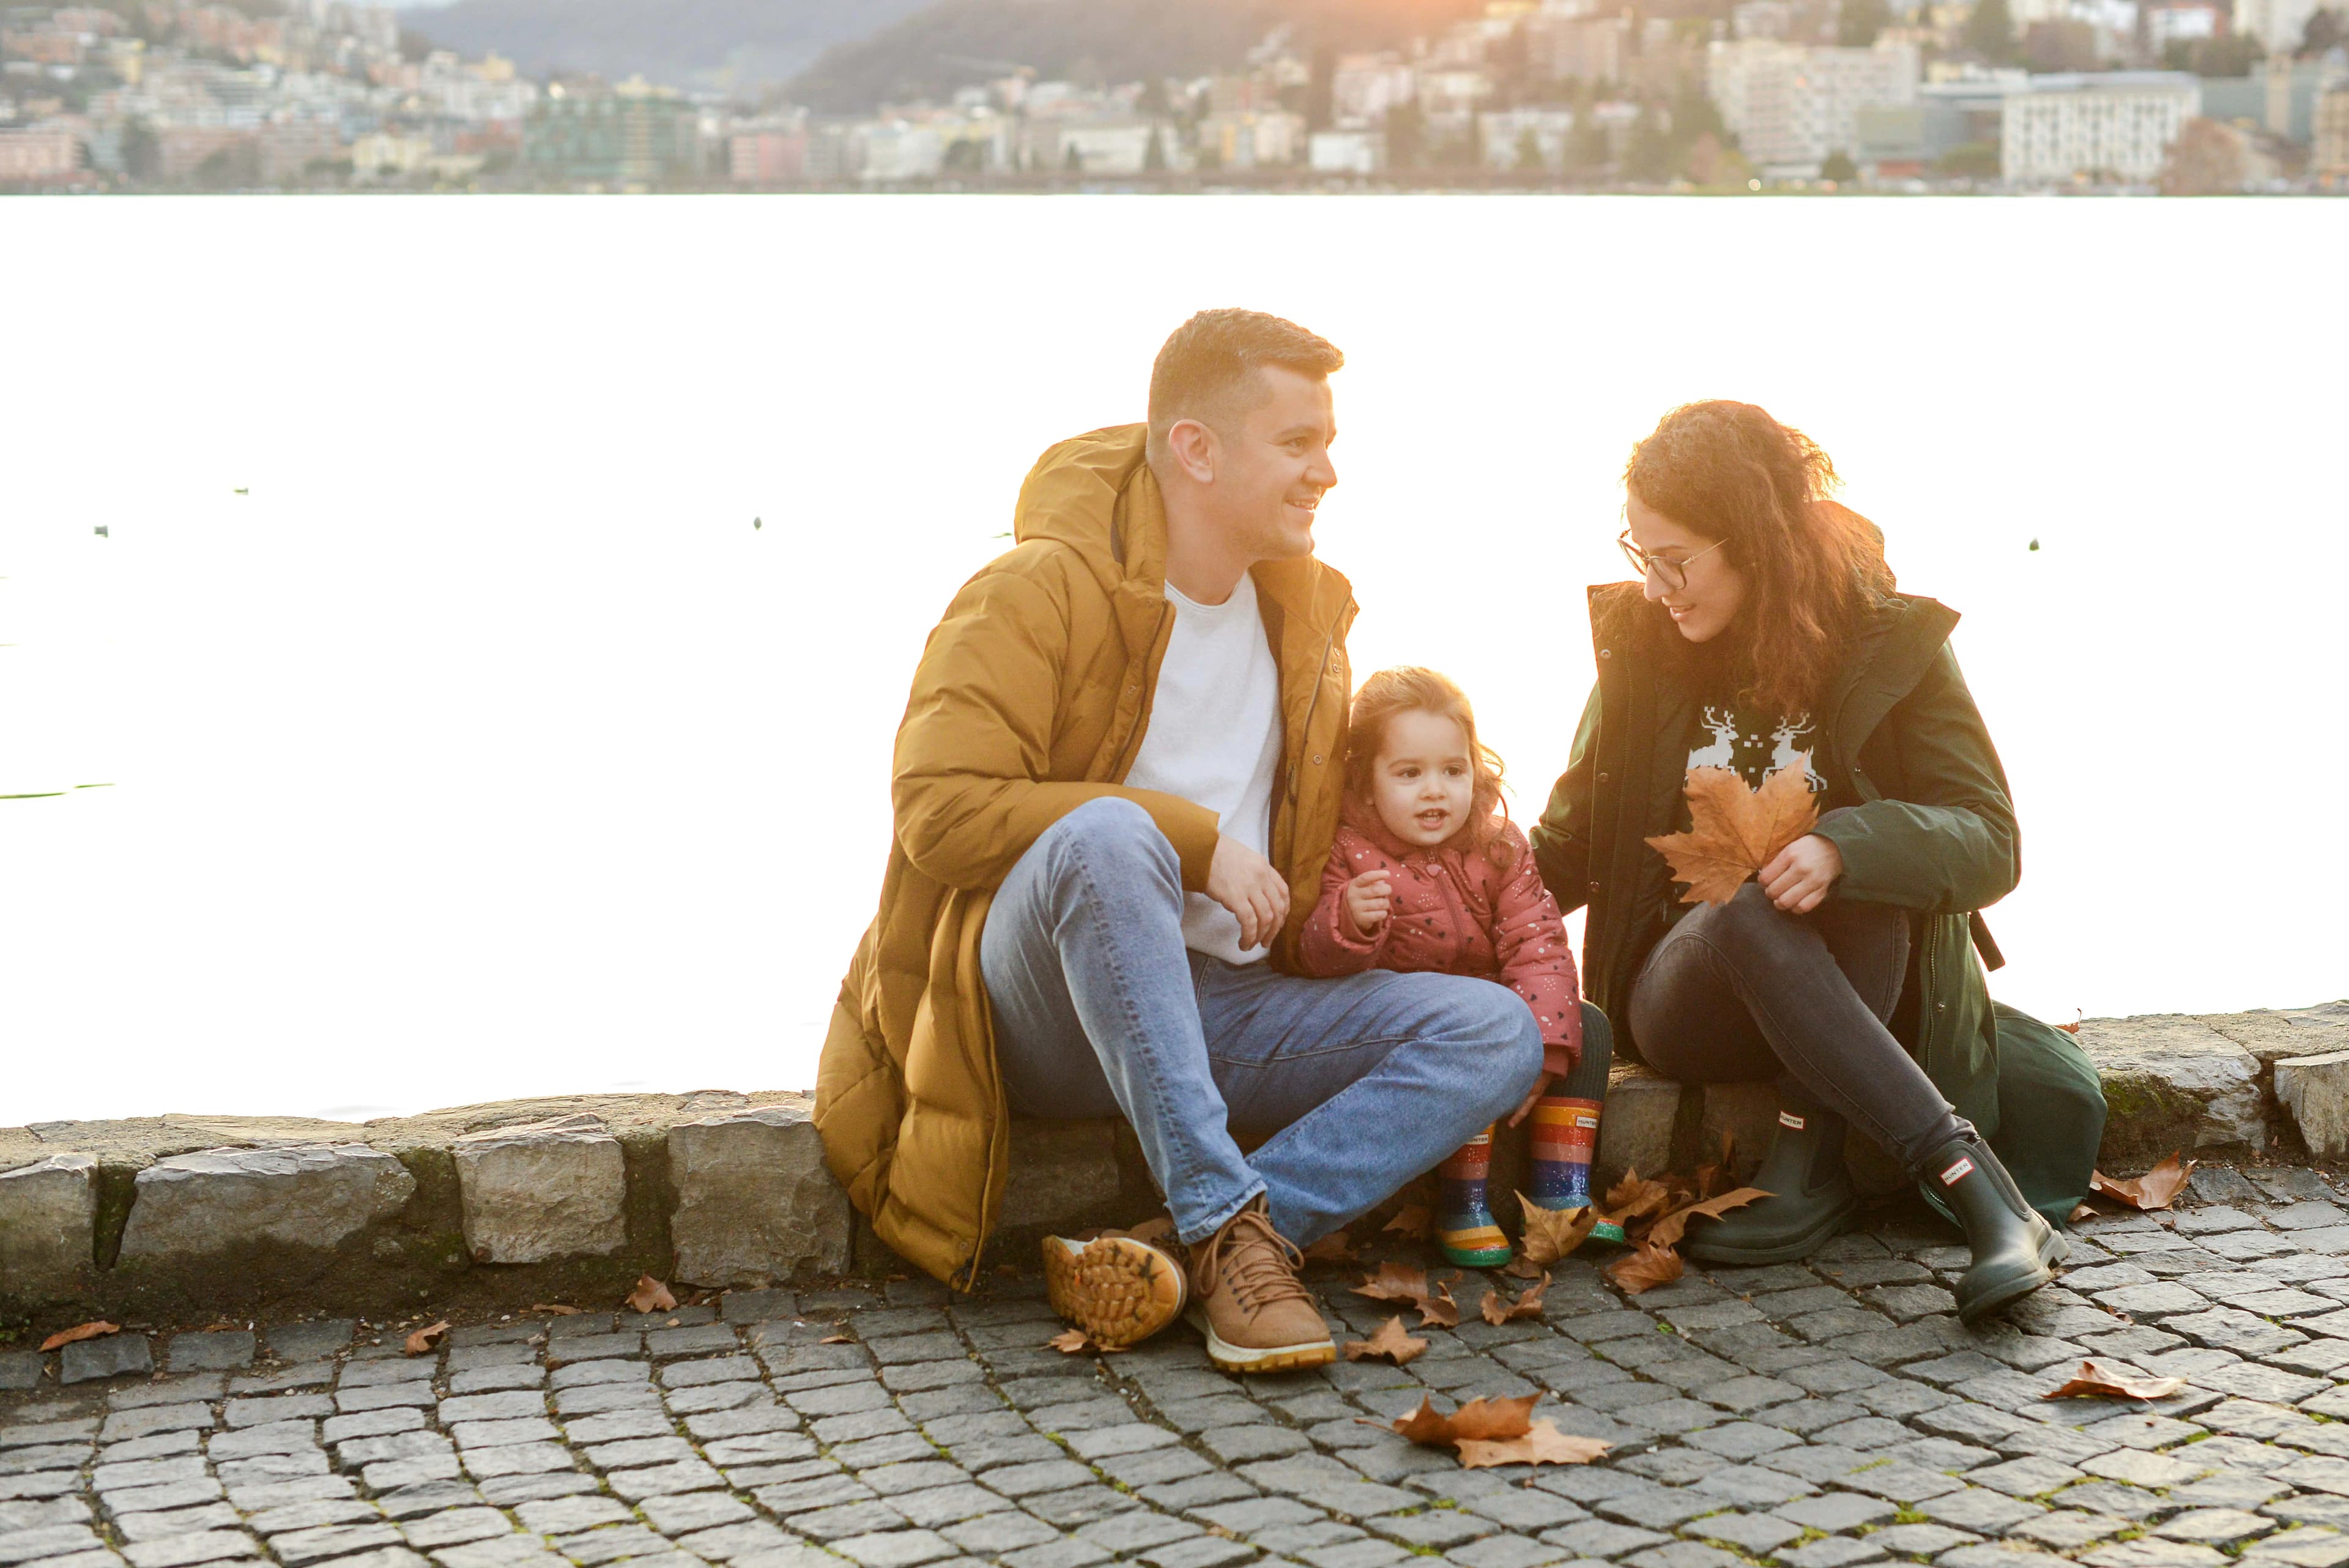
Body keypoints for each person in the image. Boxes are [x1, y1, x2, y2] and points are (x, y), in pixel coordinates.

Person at [813, 310, 1543, 1374]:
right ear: (1196, 450)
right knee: (1109, 834)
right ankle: (1225, 1227)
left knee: (1495, 1031)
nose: (1327, 472)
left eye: (1328, 442)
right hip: (1045, 1008)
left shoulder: (1305, 621)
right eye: (1297, 443)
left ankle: (1208, 1241)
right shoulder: (1038, 589)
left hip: (1226, 1004)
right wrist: (1192, 842)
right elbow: (940, 807)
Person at [1531, 399, 2105, 1325]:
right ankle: (1983, 1192)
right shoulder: (1639, 651)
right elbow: (1563, 845)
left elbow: (1991, 836)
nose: (1655, 586)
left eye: (1675, 559)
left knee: (1861, 861)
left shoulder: (1890, 643)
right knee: (1745, 909)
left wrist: (1848, 843)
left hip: (1856, 978)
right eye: (1642, 555)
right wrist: (1426, 903)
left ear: (1753, 544)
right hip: (1686, 991)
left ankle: (1811, 1156)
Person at [1296, 666, 1622, 1268]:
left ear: (1476, 767)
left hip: (1500, 1006)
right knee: (1463, 1042)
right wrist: (1349, 921)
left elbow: (1539, 943)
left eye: (1453, 770)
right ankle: (1463, 1201)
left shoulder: (1499, 847)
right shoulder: (1347, 850)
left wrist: (1544, 1050)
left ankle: (1561, 1193)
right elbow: (1313, 958)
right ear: (1366, 781)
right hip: (1418, 1021)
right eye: (1409, 773)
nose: (1435, 791)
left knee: (1590, 1024)